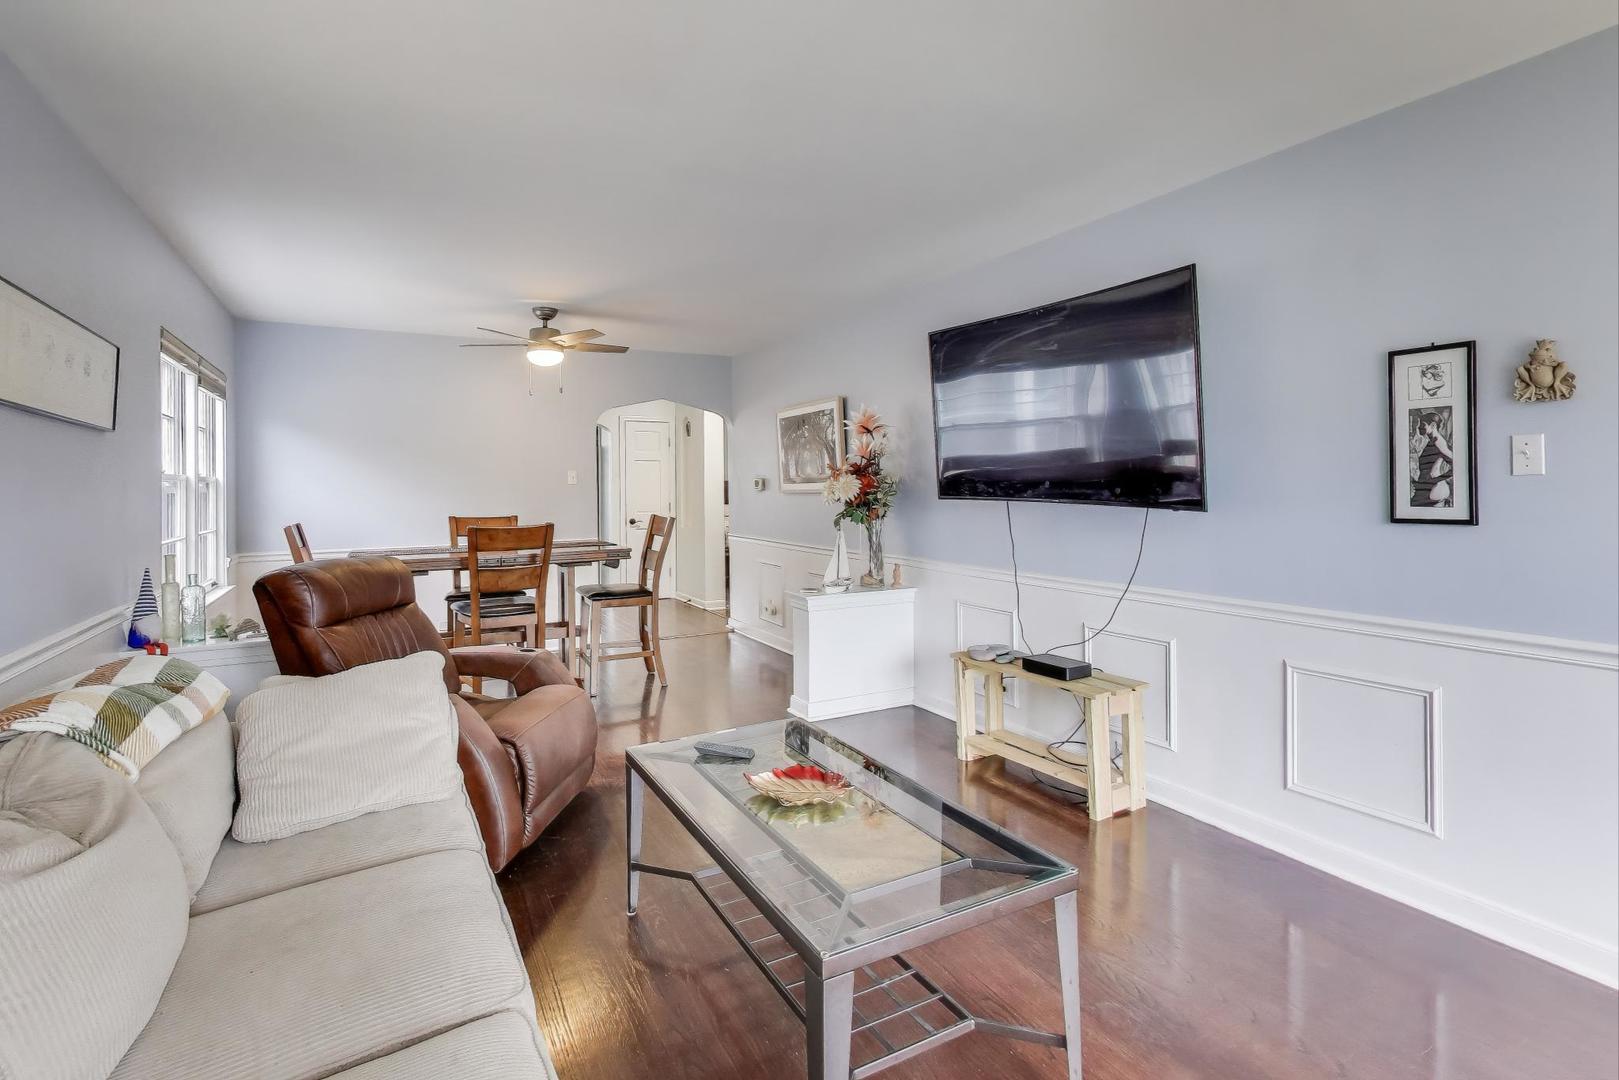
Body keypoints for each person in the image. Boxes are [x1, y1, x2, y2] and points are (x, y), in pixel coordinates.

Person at [1410, 411, 1453, 506]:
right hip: (1428, 489)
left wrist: (1433, 480)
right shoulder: (1433, 441)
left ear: (1433, 425)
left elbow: (1456, 465)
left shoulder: (1438, 442)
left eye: (1422, 424)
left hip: (1433, 489)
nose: (1418, 427)